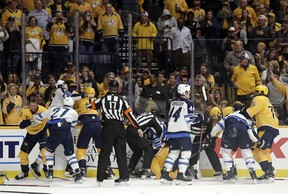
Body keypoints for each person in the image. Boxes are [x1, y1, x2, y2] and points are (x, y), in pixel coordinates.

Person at [95, 80, 141, 185]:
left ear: (107, 87)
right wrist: (137, 127)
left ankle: (100, 178)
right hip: (120, 126)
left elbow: (91, 106)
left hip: (108, 126)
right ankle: (124, 177)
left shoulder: (102, 99)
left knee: (105, 152)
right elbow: (130, 115)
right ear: (118, 88)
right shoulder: (122, 100)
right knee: (121, 153)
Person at [34, 97, 84, 183]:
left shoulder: (54, 109)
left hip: (54, 130)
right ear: (72, 105)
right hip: (66, 131)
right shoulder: (74, 112)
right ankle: (78, 174)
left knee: (48, 152)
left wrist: (33, 120)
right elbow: (72, 125)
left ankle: (50, 172)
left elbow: (39, 117)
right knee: (71, 155)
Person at [160, 84, 202, 185]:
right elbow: (189, 119)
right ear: (186, 92)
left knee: (173, 153)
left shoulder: (172, 102)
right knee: (186, 153)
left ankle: (165, 173)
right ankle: (181, 174)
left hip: (172, 131)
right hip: (182, 131)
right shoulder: (188, 103)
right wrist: (199, 117)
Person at [208, 101, 258, 183]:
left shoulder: (228, 116)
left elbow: (217, 128)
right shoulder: (246, 119)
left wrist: (210, 136)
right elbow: (251, 132)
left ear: (233, 109)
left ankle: (230, 173)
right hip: (243, 133)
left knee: (226, 152)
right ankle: (252, 171)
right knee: (247, 153)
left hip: (231, 131)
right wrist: (257, 140)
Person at [241, 85, 279, 182]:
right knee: (265, 151)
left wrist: (241, 111)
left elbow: (249, 113)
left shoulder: (258, 98)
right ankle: (270, 171)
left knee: (257, 151)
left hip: (265, 127)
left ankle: (268, 173)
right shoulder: (267, 100)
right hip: (273, 127)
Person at [126, 101, 163, 179]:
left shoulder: (142, 115)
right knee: (149, 149)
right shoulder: (153, 117)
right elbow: (159, 129)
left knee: (137, 151)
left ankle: (129, 170)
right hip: (135, 132)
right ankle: (146, 170)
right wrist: (156, 139)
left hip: (128, 132)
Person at [15, 96, 48, 180]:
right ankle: (24, 172)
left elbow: (49, 122)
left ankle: (46, 170)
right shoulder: (24, 111)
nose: (33, 108)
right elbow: (21, 126)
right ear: (29, 104)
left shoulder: (44, 110)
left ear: (38, 104)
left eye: (35, 106)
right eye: (31, 106)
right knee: (23, 154)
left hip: (42, 133)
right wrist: (30, 120)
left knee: (45, 152)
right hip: (30, 134)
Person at [75, 87, 102, 177]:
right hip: (98, 124)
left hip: (86, 124)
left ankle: (82, 168)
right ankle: (107, 168)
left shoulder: (80, 101)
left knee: (81, 149)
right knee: (100, 148)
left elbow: (75, 114)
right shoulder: (98, 100)